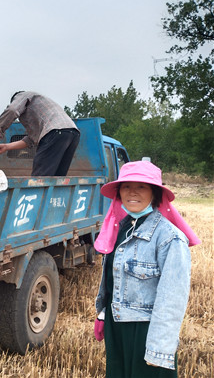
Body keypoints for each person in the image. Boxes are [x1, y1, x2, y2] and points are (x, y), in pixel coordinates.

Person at [94, 160, 201, 377]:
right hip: (118, 327)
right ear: (119, 192)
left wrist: (158, 349)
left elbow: (172, 299)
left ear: (155, 193)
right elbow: (112, 280)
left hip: (146, 331)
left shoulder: (169, 238)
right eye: (126, 186)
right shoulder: (120, 228)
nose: (132, 192)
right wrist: (104, 313)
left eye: (141, 186)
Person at [0, 91, 80, 176]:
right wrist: (7, 147)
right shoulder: (41, 108)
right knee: (58, 179)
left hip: (56, 132)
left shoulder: (23, 95)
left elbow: (12, 110)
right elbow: (31, 139)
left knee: (40, 179)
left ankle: (37, 197)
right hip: (73, 134)